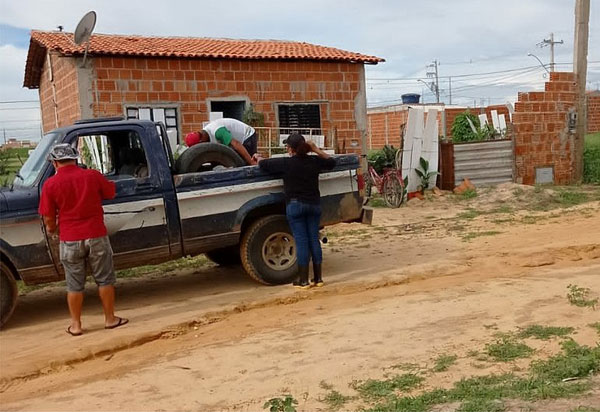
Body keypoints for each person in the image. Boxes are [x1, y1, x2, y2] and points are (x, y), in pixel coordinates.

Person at [38, 143, 128, 336]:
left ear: (54, 163)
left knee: (74, 284)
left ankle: (76, 326)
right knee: (104, 279)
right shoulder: (92, 176)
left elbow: (48, 217)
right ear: (75, 159)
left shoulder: (50, 185)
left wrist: (53, 229)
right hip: (96, 235)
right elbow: (111, 192)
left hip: (70, 238)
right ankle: (110, 319)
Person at [257, 133, 336, 288]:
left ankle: (304, 280)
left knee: (301, 242)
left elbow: (263, 165)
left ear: (291, 149)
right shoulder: (314, 161)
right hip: (313, 205)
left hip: (295, 206)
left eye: (287, 146)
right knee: (314, 239)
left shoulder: (285, 163)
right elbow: (332, 162)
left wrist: (258, 158)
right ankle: (318, 279)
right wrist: (316, 149)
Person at [185, 118, 258, 165]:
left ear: (201, 141)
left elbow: (236, 144)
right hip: (236, 141)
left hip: (247, 136)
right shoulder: (205, 135)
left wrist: (250, 161)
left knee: (246, 164)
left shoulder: (218, 132)